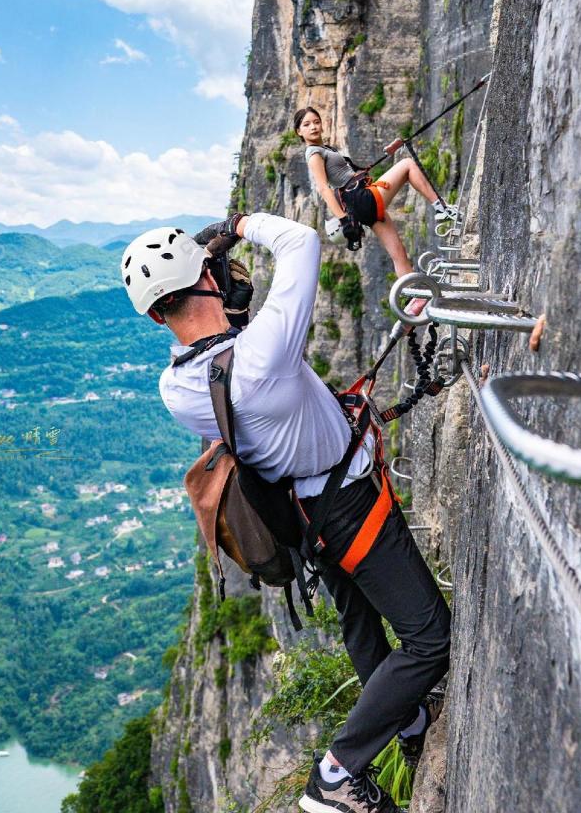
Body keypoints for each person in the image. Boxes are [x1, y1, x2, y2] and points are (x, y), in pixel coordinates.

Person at [121, 211, 451, 813]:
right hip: (349, 506)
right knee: (429, 638)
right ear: (210, 280)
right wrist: (239, 224)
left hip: (301, 518)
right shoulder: (263, 353)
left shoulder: (177, 389)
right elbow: (300, 239)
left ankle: (406, 727)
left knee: (359, 620)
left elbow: (224, 361)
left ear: (153, 315)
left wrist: (218, 294)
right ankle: (336, 773)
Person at [293, 105, 458, 279]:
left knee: (399, 253)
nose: (313, 127)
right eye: (307, 124)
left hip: (360, 201)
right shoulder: (314, 154)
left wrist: (389, 153)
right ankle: (442, 209)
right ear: (299, 131)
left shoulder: (325, 149)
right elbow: (323, 188)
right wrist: (344, 220)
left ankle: (414, 299)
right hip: (360, 198)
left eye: (316, 122)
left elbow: (352, 173)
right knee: (408, 164)